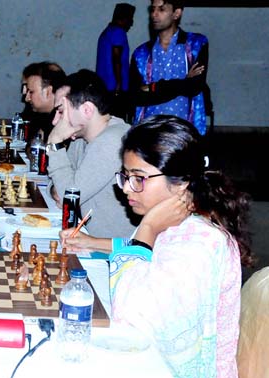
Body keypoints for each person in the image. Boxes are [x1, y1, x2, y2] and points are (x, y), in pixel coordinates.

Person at [107, 115, 267, 378]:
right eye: (125, 176)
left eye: (138, 178)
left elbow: (134, 317)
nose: (126, 188)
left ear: (180, 184)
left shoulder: (199, 242)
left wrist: (146, 230)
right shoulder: (181, 224)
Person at [45, 69, 136, 239]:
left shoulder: (113, 140)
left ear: (87, 110)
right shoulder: (81, 138)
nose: (55, 121)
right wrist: (60, 190)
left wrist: (55, 142)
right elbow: (59, 184)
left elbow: (68, 196)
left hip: (114, 254)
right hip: (88, 238)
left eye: (61, 111)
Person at [129, 0, 209, 135]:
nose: (154, 14)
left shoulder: (196, 44)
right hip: (150, 131)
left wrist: (151, 87)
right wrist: (184, 82)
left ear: (176, 13)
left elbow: (194, 87)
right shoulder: (141, 54)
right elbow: (136, 96)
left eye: (161, 9)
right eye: (152, 9)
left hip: (184, 131)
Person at [95, 3, 135, 119]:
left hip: (105, 87)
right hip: (115, 88)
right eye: (130, 20)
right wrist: (119, 84)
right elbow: (116, 59)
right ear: (124, 19)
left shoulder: (107, 31)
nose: (131, 24)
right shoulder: (118, 32)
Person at [20, 61, 66, 141]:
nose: (27, 98)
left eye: (31, 92)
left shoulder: (65, 118)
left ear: (48, 91)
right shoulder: (40, 116)